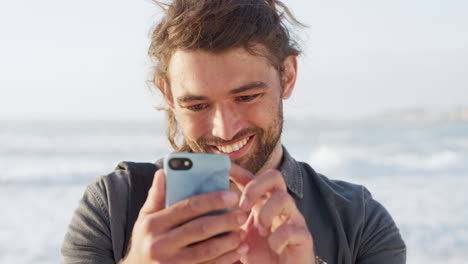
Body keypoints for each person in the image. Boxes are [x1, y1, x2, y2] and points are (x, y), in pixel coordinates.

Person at [61, 0, 406, 263]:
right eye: (197, 105)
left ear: (287, 76)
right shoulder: (111, 208)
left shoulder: (359, 222)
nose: (224, 129)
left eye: (246, 96)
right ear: (168, 95)